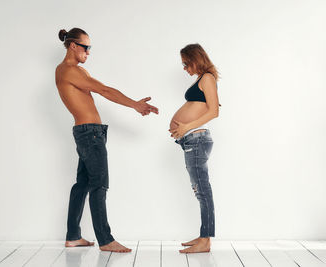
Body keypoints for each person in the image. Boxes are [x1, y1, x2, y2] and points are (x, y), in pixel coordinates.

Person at [55, 27, 158, 253]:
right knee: (99, 185)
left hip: (85, 132)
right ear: (73, 46)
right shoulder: (72, 71)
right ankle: (105, 240)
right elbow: (105, 90)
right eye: (86, 47)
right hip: (90, 134)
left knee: (82, 184)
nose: (89, 52)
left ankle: (73, 236)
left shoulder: (62, 70)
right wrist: (135, 105)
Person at [169, 44, 220, 253]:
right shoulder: (202, 79)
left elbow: (214, 111)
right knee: (200, 189)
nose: (184, 68)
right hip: (192, 140)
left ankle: (205, 240)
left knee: (202, 190)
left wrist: (186, 126)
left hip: (197, 138)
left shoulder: (207, 78)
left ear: (195, 58)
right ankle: (203, 236)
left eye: (185, 63)